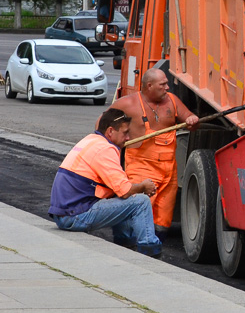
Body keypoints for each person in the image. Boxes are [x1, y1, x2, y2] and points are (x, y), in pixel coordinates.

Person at [48, 107, 162, 257]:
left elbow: (119, 189)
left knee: (124, 199)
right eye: (125, 133)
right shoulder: (105, 149)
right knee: (140, 201)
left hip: (65, 213)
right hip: (74, 216)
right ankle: (150, 250)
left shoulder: (91, 140)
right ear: (110, 132)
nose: (128, 138)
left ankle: (126, 244)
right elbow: (125, 190)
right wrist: (143, 186)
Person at [110, 68, 199, 234]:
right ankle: (129, 247)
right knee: (137, 213)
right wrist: (114, 144)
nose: (167, 88)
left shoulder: (172, 101)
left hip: (169, 173)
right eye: (162, 84)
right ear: (149, 86)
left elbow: (190, 119)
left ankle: (152, 251)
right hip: (141, 168)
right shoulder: (129, 103)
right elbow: (102, 125)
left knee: (162, 221)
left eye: (166, 83)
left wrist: (192, 120)